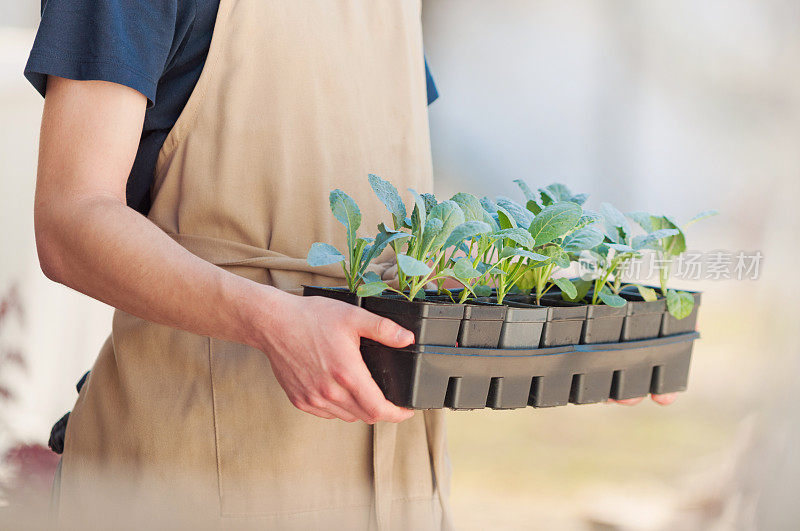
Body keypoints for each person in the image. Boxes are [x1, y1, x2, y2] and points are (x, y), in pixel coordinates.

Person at [26, 0, 676, 528]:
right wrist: (272, 320)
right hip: (196, 474)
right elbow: (71, 218)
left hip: (398, 486)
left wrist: (571, 330)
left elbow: (381, 239)